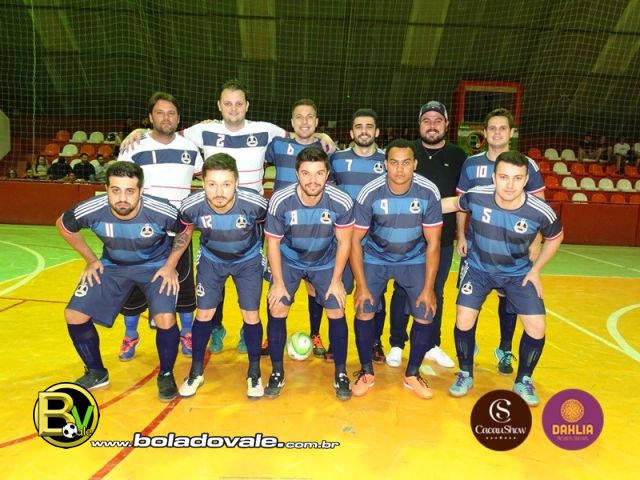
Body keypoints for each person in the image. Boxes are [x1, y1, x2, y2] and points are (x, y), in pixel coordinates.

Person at [121, 79, 335, 355]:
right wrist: (140, 130)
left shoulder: (265, 130)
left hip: (253, 218)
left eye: (238, 103)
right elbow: (166, 130)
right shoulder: (202, 130)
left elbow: (302, 132)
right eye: (228, 103)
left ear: (247, 106)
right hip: (216, 215)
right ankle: (216, 327)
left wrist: (324, 136)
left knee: (251, 279)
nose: (233, 108)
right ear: (219, 106)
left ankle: (249, 330)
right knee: (215, 275)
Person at [56, 161, 187, 401]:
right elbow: (63, 225)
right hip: (113, 266)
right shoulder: (91, 209)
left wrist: (170, 265)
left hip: (155, 267)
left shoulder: (160, 210)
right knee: (74, 314)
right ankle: (96, 372)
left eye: (130, 191)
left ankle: (166, 374)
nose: (122, 198)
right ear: (106, 189)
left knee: (165, 319)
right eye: (116, 190)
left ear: (141, 191)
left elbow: (185, 229)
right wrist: (91, 260)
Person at [443, 151, 564, 406]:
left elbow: (556, 237)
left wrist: (536, 270)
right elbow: (451, 204)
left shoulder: (539, 210)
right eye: (504, 177)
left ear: (526, 179)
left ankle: (523, 380)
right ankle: (465, 373)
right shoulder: (477, 195)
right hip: (478, 269)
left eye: (517, 178)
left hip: (517, 274)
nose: (510, 184)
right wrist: (414, 205)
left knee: (537, 327)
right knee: (463, 319)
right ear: (494, 177)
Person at [351, 139, 442, 400]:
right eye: (394, 163)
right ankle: (366, 371)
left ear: (415, 164)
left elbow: (434, 243)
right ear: (385, 165)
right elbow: (355, 241)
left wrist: (429, 288)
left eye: (406, 163)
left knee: (426, 310)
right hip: (376, 257)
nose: (400, 169)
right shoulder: (370, 192)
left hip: (413, 258)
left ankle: (412, 374)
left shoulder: (428, 192)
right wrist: (361, 286)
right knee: (364, 307)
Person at [456, 107, 546, 375]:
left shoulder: (526, 165)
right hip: (478, 247)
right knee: (471, 300)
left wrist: (536, 241)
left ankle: (505, 349)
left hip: (515, 249)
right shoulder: (471, 164)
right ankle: (468, 348)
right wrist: (461, 235)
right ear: (485, 132)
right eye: (492, 128)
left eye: (502, 128)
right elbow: (460, 202)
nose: (497, 133)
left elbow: (539, 206)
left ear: (512, 132)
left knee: (509, 298)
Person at [116, 91, 202, 361]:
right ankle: (130, 336)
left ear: (179, 118)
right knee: (134, 286)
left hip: (180, 230)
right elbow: (121, 188)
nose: (166, 118)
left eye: (171, 113)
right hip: (142, 232)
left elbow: (206, 176)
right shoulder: (133, 147)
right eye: (160, 113)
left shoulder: (190, 149)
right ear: (150, 117)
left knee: (184, 285)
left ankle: (187, 333)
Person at [264, 146, 354, 400]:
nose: (312, 180)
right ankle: (277, 371)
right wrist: (278, 283)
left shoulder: (341, 201)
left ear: (327, 174)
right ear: (297, 174)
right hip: (289, 259)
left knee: (336, 307)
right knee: (277, 306)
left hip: (325, 260)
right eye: (306, 173)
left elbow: (344, 242)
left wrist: (336, 281)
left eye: (318, 173)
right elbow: (273, 243)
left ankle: (340, 372)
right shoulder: (281, 200)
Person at [178, 153, 268, 399]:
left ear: (237, 182)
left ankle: (254, 372)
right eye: (212, 184)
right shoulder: (190, 206)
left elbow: (270, 231)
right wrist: (170, 265)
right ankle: (196, 371)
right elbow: (184, 232)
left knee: (251, 314)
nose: (219, 192)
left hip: (248, 260)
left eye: (226, 184)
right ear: (202, 183)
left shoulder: (256, 204)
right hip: (211, 259)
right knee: (204, 313)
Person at [386, 101, 465, 369]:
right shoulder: (406, 151)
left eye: (438, 121)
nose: (432, 126)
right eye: (427, 121)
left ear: (446, 125)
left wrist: (461, 235)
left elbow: (461, 199)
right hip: (406, 237)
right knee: (401, 289)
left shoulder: (458, 155)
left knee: (435, 290)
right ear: (419, 124)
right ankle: (397, 343)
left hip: (441, 238)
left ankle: (432, 344)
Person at [263, 99, 327, 358]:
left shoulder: (325, 149)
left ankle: (316, 333)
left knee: (314, 286)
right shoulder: (278, 145)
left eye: (309, 117)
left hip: (313, 230)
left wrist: (325, 139)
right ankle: (270, 336)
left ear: (317, 122)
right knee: (275, 284)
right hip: (280, 229)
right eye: (299, 117)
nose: (304, 122)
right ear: (291, 123)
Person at [330, 108, 395, 364]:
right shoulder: (337, 158)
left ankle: (375, 342)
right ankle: (336, 342)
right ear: (351, 132)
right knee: (337, 290)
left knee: (376, 294)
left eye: (369, 126)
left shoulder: (388, 160)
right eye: (359, 126)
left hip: (375, 241)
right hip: (343, 239)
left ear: (377, 132)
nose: (364, 131)